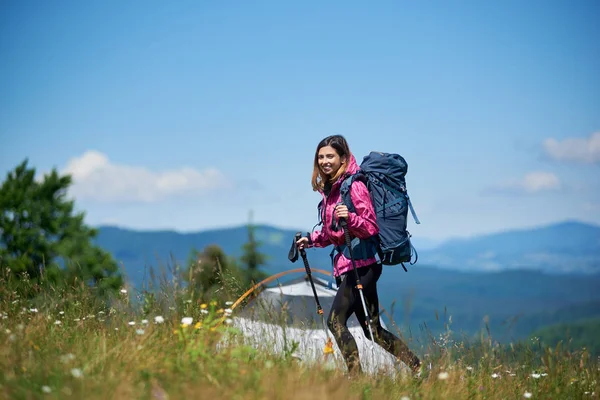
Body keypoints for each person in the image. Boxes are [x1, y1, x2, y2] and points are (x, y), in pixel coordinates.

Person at [296, 134, 421, 377]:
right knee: (372, 330)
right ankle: (418, 367)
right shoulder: (331, 190)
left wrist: (350, 217)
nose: (324, 161)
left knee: (335, 322)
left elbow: (370, 226)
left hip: (363, 266)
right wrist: (310, 240)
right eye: (320, 157)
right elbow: (334, 234)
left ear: (343, 158)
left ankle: (356, 379)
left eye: (330, 156)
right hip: (351, 266)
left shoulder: (354, 185)